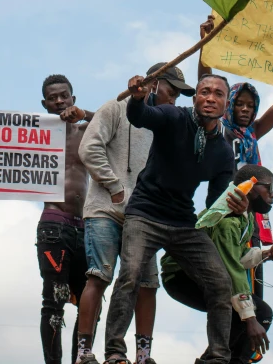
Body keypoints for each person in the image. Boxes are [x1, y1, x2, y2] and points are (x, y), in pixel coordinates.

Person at [0, 73, 94, 364]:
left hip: (87, 227)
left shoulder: (89, 130)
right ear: (44, 103)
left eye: (64, 95)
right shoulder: (37, 132)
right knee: (55, 299)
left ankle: (81, 359)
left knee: (90, 299)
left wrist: (85, 114)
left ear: (74, 98)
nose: (60, 100)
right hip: (54, 223)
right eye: (53, 97)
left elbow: (121, 122)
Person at [103, 72, 248, 364]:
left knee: (220, 283)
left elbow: (214, 205)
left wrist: (236, 206)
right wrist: (138, 96)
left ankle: (218, 357)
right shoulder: (173, 116)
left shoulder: (222, 150)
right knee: (130, 275)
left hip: (183, 223)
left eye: (218, 94)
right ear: (195, 99)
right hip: (144, 214)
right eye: (204, 92)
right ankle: (115, 352)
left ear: (226, 104)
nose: (210, 98)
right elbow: (140, 115)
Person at [76, 62, 197, 364]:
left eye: (180, 96)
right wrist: (113, 184)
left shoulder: (168, 125)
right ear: (154, 85)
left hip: (144, 217)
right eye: (172, 92)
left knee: (147, 285)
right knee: (99, 277)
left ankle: (143, 356)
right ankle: (83, 353)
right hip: (106, 209)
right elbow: (89, 147)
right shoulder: (116, 108)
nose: (175, 101)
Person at [199, 28, 273, 292]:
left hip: (251, 218)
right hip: (225, 213)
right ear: (230, 104)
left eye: (251, 106)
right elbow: (205, 83)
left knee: (253, 283)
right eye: (240, 104)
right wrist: (205, 44)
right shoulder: (218, 128)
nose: (245, 109)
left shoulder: (254, 132)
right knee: (227, 284)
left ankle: (250, 318)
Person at [161, 164, 273, 363]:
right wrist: (251, 319)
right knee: (253, 313)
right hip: (181, 276)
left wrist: (266, 254)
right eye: (270, 188)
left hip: (205, 274)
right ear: (252, 186)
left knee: (250, 313)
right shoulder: (228, 218)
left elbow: (238, 256)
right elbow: (231, 267)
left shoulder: (246, 218)